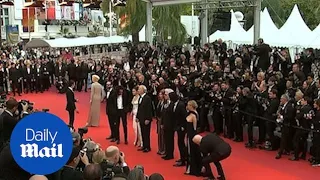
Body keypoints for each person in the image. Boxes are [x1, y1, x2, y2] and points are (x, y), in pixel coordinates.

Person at [185, 100, 202, 176]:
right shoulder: (189, 113)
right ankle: (190, 168)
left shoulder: (194, 115)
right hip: (188, 135)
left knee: (192, 152)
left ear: (192, 106)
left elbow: (195, 128)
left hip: (192, 137)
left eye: (188, 105)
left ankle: (193, 169)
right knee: (189, 152)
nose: (187, 106)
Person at [136, 85, 153, 153]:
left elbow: (149, 109)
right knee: (142, 132)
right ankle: (144, 146)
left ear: (143, 90)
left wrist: (148, 119)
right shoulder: (140, 97)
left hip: (146, 119)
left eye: (140, 89)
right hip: (141, 118)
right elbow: (139, 109)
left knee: (146, 133)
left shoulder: (147, 98)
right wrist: (137, 117)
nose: (138, 90)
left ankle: (147, 147)